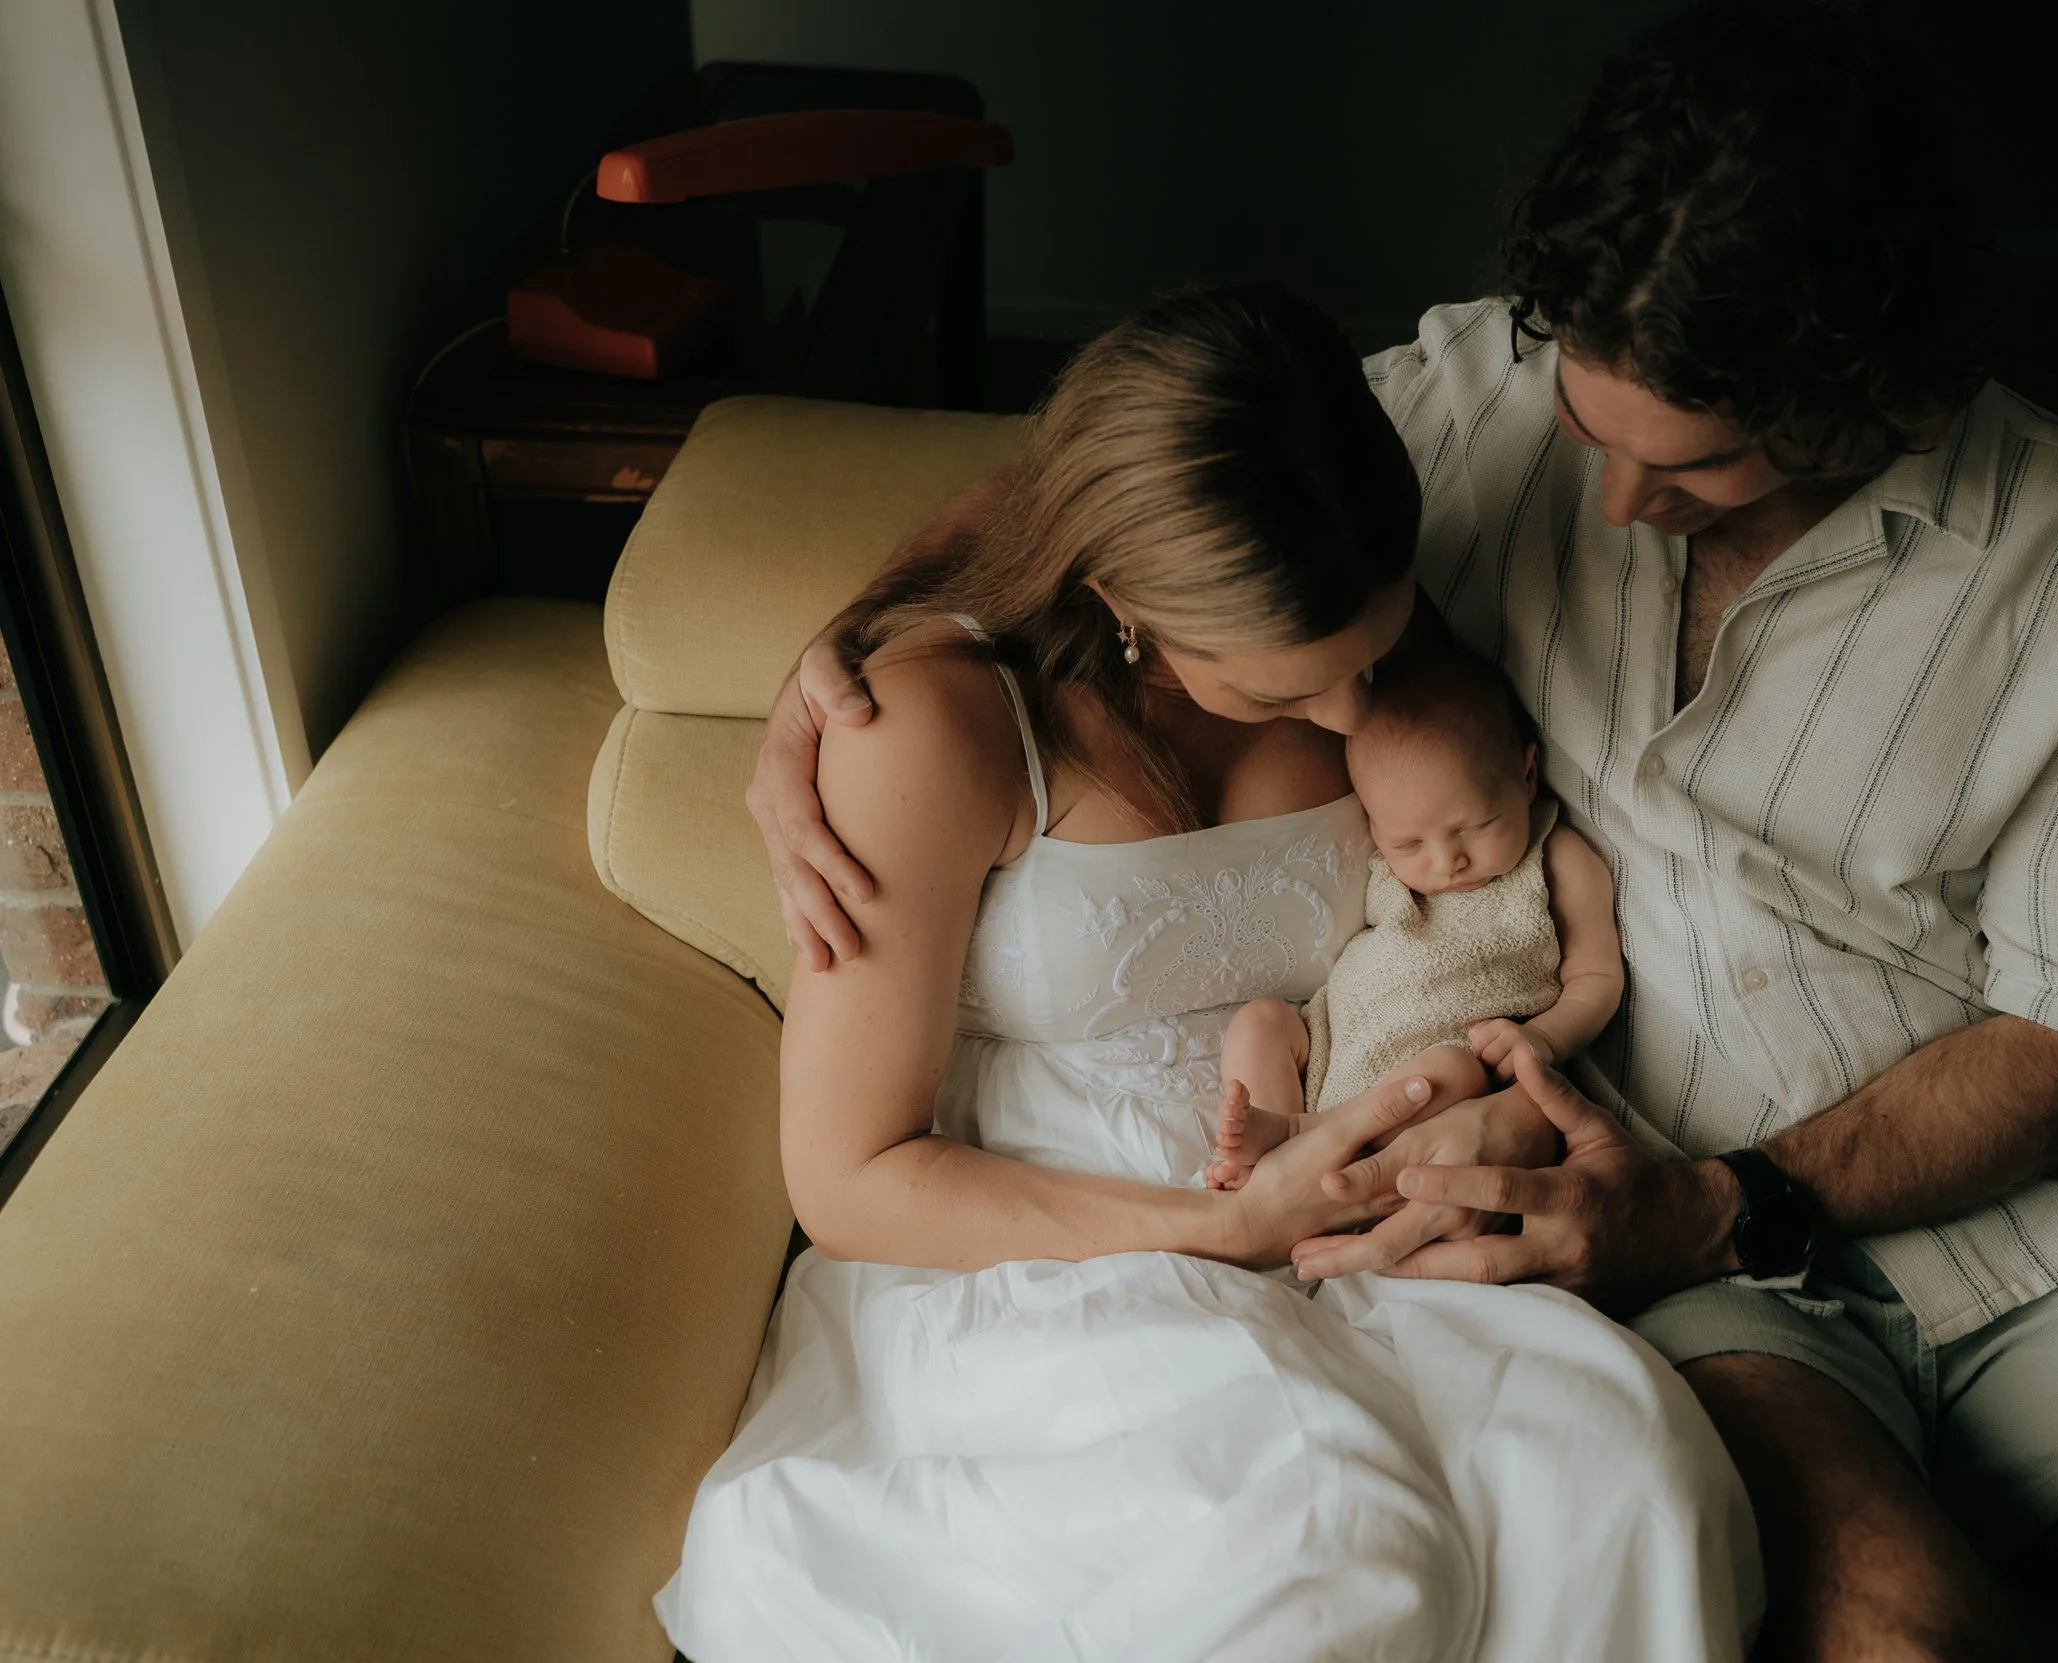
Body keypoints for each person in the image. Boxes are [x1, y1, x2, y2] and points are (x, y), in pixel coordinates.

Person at [748, 9, 2058, 1660]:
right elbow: (1138, 474)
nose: (1609, 503)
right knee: (1909, 1636)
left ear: (1867, 395)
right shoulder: (1492, 394)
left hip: (2016, 1236)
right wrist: (835, 662)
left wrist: (1730, 1202)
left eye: (1700, 469)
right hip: (1662, 1244)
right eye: (1587, 426)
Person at [662, 284, 1760, 1663]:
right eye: (1284, 690)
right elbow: (847, 1175)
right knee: (1322, 1551)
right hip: (1047, 1257)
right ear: (1121, 597)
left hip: (1358, 1229)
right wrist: (1224, 1229)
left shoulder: (1343, 586)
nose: (1356, 715)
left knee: (1617, 1474)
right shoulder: (938, 726)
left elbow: (1476, 934)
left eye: (1373, 655)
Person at [1206, 648, 1624, 1188]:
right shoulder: (1388, 864)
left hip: (1442, 1089)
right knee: (1262, 1020)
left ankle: (1296, 1139)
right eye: (1408, 843)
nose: (1447, 862)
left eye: (1476, 826)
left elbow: (1597, 977)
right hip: (1340, 1049)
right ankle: (1264, 1152)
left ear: (1527, 775)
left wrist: (1543, 1040)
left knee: (1453, 1069)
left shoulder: (1557, 858)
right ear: (1376, 827)